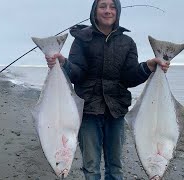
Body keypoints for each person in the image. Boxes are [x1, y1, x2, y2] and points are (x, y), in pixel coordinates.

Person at [45, 0, 170, 179]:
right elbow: (77, 73)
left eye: (112, 7)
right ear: (94, 11)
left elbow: (129, 77)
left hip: (116, 110)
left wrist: (148, 66)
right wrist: (63, 64)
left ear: (117, 12)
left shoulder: (127, 42)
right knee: (91, 166)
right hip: (88, 109)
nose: (108, 11)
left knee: (116, 166)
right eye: (102, 6)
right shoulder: (81, 40)